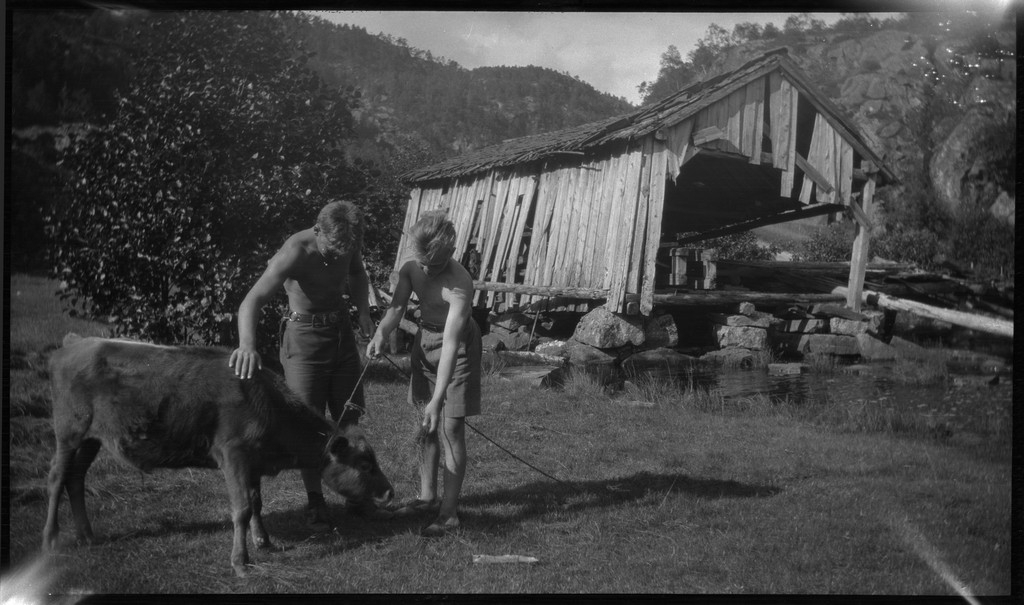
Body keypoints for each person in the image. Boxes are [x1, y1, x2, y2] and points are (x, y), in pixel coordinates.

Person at [228, 199, 390, 530]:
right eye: (331, 250)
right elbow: (252, 301)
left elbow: (358, 273)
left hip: (341, 334)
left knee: (350, 415)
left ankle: (356, 496)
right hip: (304, 336)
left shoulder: (346, 240)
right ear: (318, 230)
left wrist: (362, 311)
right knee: (309, 420)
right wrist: (247, 345)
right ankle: (315, 501)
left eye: (344, 251)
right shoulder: (295, 251)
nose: (337, 256)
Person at [366, 211, 481, 537]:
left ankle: (448, 513)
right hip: (424, 339)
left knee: (450, 428)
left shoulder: (460, 285)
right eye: (424, 263)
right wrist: (380, 333)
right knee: (425, 422)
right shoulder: (411, 265)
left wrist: (438, 398)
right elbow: (398, 307)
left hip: (455, 348)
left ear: (452, 252)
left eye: (436, 264)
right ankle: (427, 497)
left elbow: (450, 345)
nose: (428, 270)